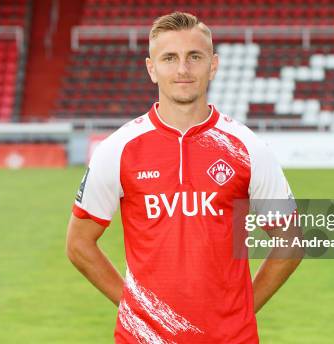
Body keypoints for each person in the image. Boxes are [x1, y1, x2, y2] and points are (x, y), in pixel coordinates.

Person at [66, 11, 302, 343]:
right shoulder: (117, 149)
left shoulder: (248, 147)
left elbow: (290, 240)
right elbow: (78, 244)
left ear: (213, 65)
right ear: (152, 68)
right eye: (169, 58)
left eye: (194, 57)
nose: (182, 69)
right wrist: (137, 310)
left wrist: (243, 309)